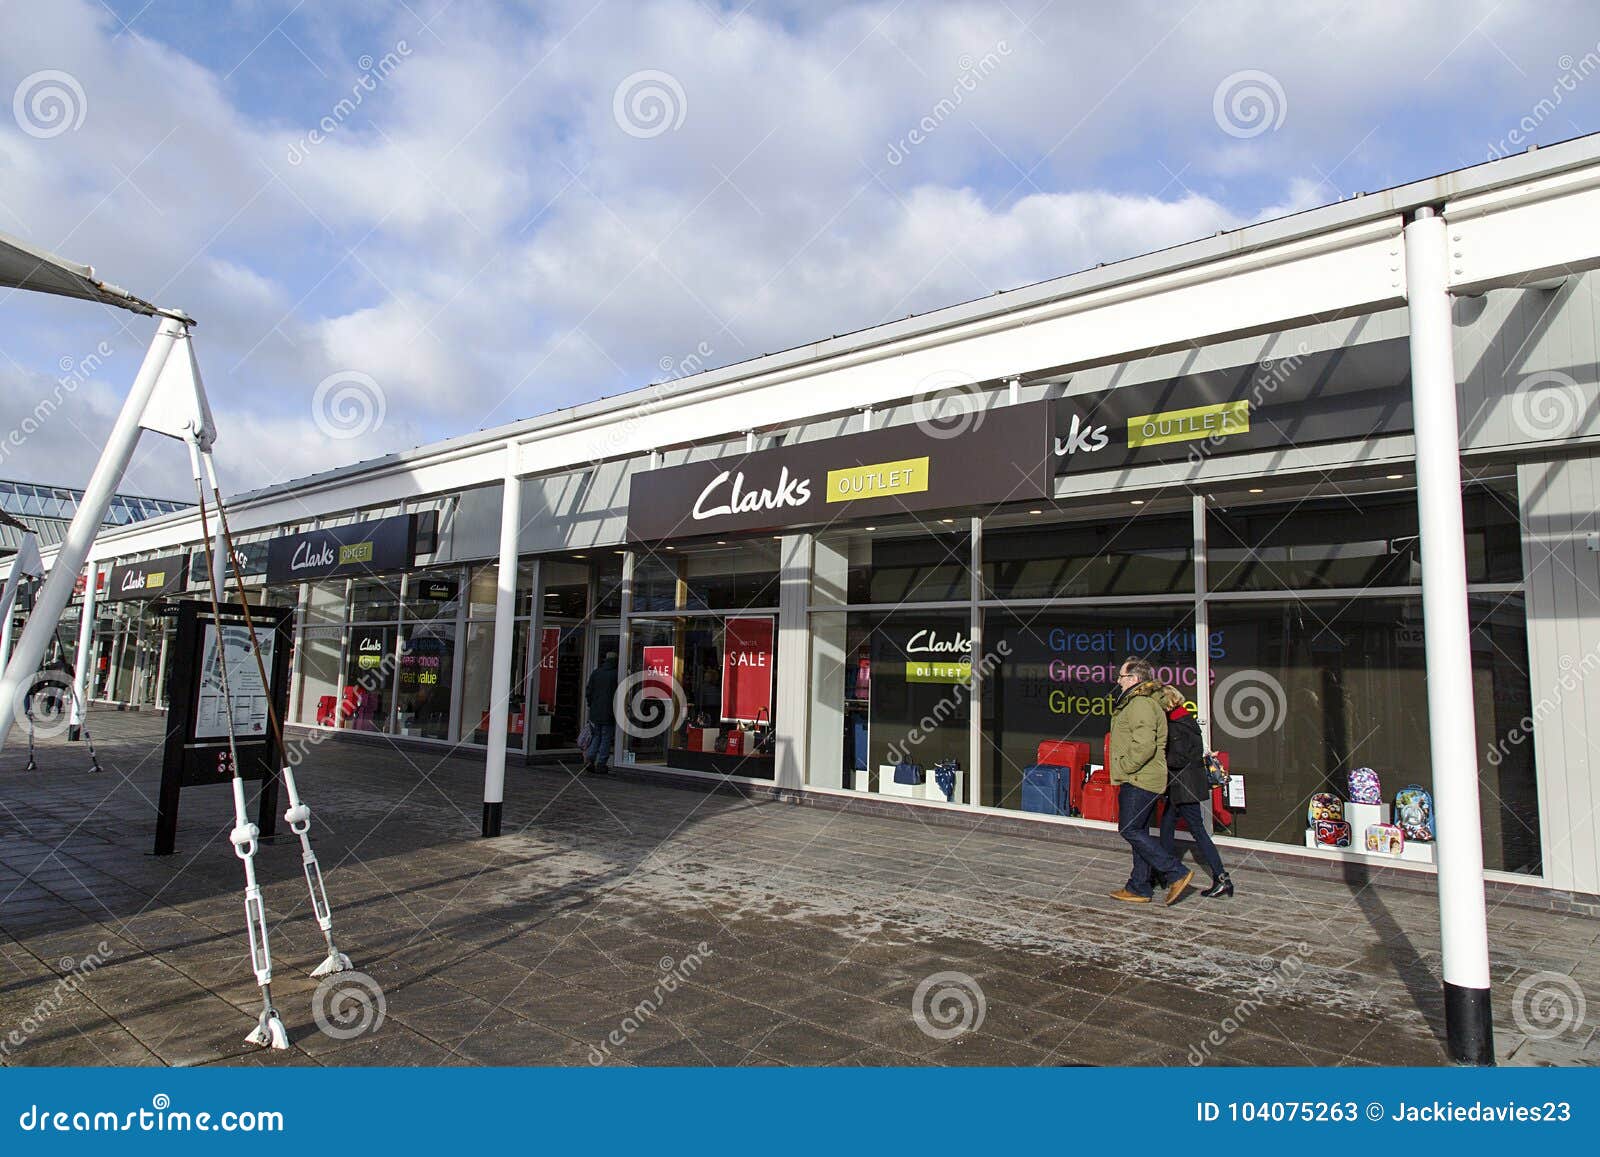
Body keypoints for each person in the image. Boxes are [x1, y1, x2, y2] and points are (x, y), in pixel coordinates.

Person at [1107, 658, 1194, 906]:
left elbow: (1144, 745)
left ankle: (1175, 872)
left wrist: (1125, 766)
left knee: (1129, 829)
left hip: (1140, 777)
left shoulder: (1141, 704)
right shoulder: (1140, 702)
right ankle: (1139, 886)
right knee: (1140, 830)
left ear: (1134, 679)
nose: (1118, 681)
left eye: (1121, 677)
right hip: (1142, 776)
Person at [1158, 685, 1234, 899]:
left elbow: (1180, 758)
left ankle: (1221, 878)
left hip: (1184, 786)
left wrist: (1160, 759)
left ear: (1167, 702)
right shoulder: (1187, 719)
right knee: (1167, 825)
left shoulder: (1176, 725)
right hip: (1184, 785)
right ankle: (1165, 871)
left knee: (1197, 831)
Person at [581, 650, 619, 774]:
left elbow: (589, 692)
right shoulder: (616, 674)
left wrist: (591, 705)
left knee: (596, 736)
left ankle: (590, 758)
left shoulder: (596, 673)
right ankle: (601, 763)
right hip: (609, 711)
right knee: (606, 737)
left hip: (596, 712)